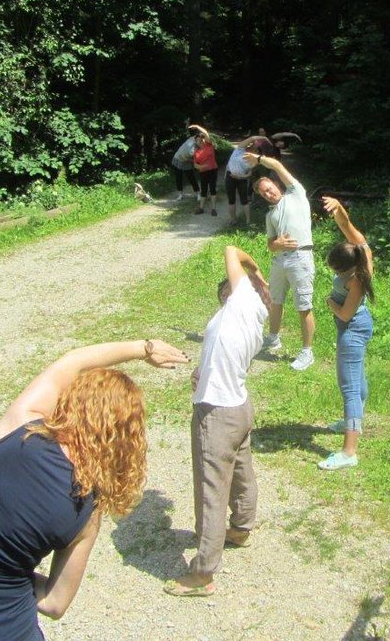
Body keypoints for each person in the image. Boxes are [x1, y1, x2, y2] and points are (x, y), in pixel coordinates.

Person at [0, 339, 189, 640]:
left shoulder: (17, 430)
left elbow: (72, 361)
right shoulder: (87, 512)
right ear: (125, 442)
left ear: (70, 401)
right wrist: (3, 573)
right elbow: (55, 603)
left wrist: (143, 348)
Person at [164, 246, 270, 597]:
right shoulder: (246, 316)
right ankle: (240, 528)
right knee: (241, 470)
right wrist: (200, 372)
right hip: (238, 404)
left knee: (211, 489)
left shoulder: (242, 302)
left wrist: (256, 271)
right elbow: (219, 354)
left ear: (241, 289)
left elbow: (230, 250)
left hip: (218, 413)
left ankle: (203, 572)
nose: (224, 290)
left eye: (229, 286)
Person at [318, 197, 375, 471]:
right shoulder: (362, 251)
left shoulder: (356, 280)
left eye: (335, 270)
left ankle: (349, 451)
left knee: (349, 388)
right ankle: (355, 420)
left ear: (346, 269)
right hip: (358, 325)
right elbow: (346, 225)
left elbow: (344, 314)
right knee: (357, 377)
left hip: (352, 329)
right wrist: (338, 206)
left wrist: (329, 302)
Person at [245, 151, 316, 371]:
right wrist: (278, 244)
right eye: (263, 193)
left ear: (276, 185)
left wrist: (257, 160)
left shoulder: (296, 194)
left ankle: (307, 352)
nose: (268, 193)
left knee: (303, 306)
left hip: (300, 258)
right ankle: (273, 338)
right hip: (279, 261)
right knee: (275, 301)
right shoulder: (270, 216)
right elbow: (270, 244)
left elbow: (276, 164)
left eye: (269, 188)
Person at [224, 137, 259, 226]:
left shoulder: (253, 161)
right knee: (231, 200)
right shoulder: (239, 150)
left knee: (244, 200)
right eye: (253, 146)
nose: (253, 149)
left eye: (256, 148)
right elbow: (251, 138)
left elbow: (249, 174)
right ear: (249, 146)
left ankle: (248, 221)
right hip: (230, 177)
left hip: (241, 179)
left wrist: (240, 177)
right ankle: (233, 219)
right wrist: (261, 138)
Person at [170, 126, 206, 203]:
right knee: (178, 177)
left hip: (187, 161)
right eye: (198, 139)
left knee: (191, 177)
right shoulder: (192, 139)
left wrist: (190, 160)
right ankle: (180, 194)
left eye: (200, 141)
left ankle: (198, 193)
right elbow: (200, 133)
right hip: (178, 158)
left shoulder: (198, 148)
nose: (199, 141)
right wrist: (196, 127)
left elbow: (195, 159)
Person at [192, 132, 219, 216]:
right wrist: (201, 167)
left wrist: (197, 127)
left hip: (213, 170)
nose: (199, 141)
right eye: (197, 140)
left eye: (200, 139)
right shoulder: (196, 152)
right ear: (196, 142)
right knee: (203, 190)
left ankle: (213, 209)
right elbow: (195, 164)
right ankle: (201, 208)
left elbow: (206, 135)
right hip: (203, 172)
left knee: (212, 189)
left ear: (203, 139)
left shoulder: (209, 145)